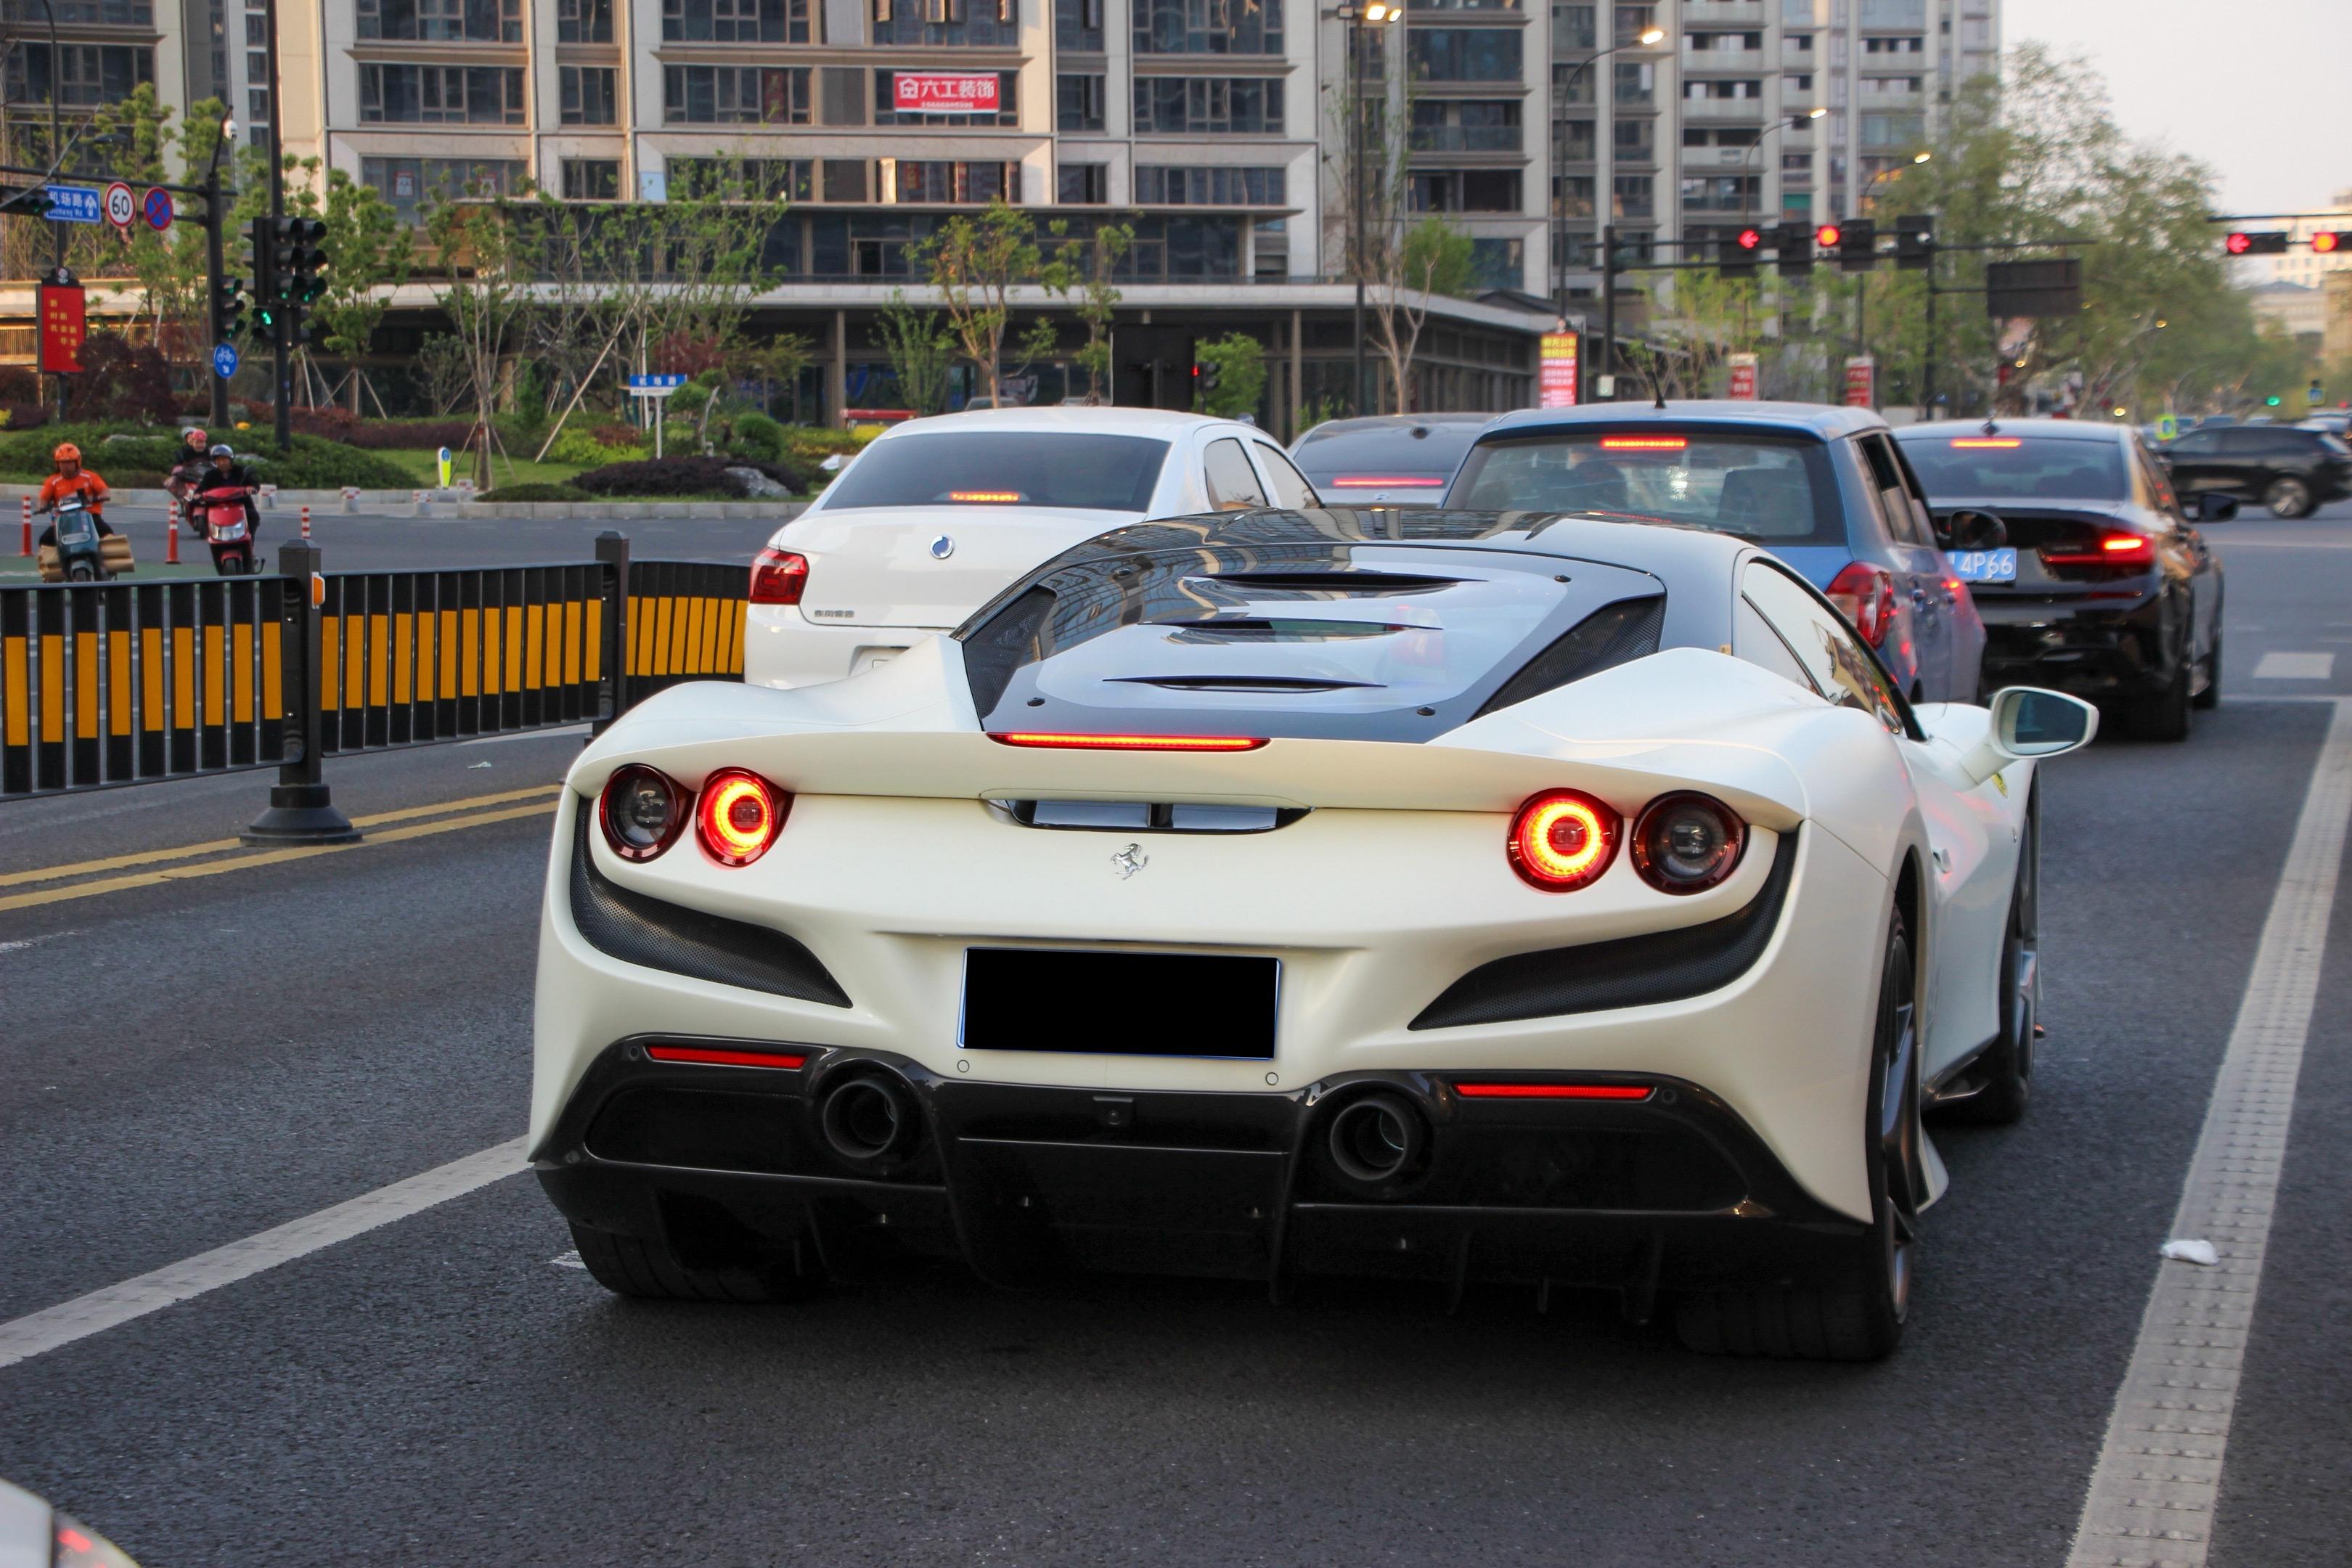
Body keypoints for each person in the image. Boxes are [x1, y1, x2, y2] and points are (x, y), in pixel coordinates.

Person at [36, 442, 114, 549]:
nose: (65, 466)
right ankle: (57, 559)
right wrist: (42, 507)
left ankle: (106, 558)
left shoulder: (90, 477)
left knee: (107, 534)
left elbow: (105, 492)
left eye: (69, 462)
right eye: (62, 463)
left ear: (77, 462)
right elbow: (43, 498)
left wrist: (96, 498)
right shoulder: (53, 481)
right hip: (64, 519)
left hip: (89, 517)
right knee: (45, 540)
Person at [189, 443, 261, 540]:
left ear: (230, 460)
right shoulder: (210, 475)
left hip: (239, 505)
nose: (222, 463)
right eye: (218, 460)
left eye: (224, 460)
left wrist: (251, 488)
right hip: (217, 507)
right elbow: (201, 490)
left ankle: (249, 543)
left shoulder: (240, 472)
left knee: (253, 516)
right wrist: (197, 496)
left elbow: (253, 484)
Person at [165, 427, 213, 518]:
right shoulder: (184, 452)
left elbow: (215, 465)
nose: (200, 445)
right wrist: (179, 473)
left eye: (202, 442)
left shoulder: (209, 452)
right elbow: (178, 467)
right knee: (187, 494)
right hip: (191, 480)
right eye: (197, 442)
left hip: (205, 479)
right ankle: (185, 506)